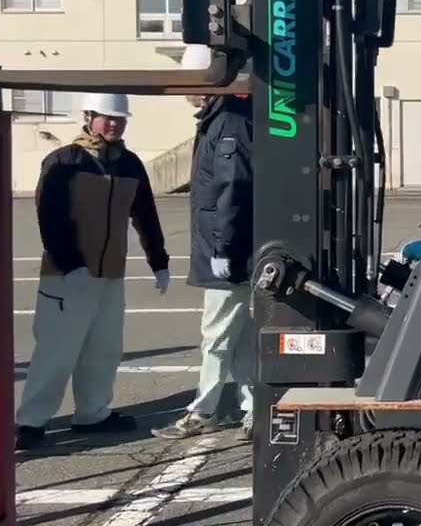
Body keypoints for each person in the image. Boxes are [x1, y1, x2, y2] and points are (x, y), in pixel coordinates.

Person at [16, 93, 170, 449]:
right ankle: (31, 421)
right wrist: (70, 262)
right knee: (56, 350)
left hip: (110, 274)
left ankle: (93, 413)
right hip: (66, 275)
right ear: (88, 117)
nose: (114, 123)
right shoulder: (63, 161)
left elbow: (145, 214)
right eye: (106, 117)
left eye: (119, 118)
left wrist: (158, 260)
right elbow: (49, 216)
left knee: (104, 349)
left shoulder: (130, 164)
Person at [152, 45, 256, 441]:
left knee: (215, 335)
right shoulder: (226, 118)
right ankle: (252, 406)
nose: (185, 94)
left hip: (226, 251)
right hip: (234, 248)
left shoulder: (226, 122)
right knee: (241, 335)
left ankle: (204, 410)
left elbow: (229, 191)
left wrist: (222, 250)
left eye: (188, 85)